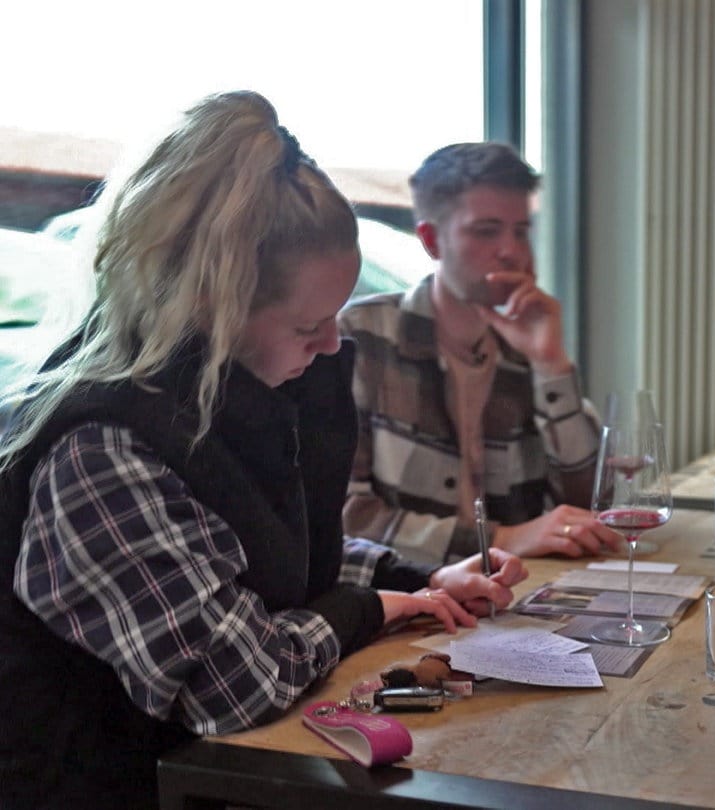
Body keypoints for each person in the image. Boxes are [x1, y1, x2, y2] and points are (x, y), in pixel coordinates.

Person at [0, 91, 527, 809]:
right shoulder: (102, 447)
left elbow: (258, 549)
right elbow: (233, 683)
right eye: (310, 324)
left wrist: (422, 579)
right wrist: (375, 609)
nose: (333, 345)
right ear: (214, 309)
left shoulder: (231, 390)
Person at [339, 142, 622, 564]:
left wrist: (552, 365)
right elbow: (348, 519)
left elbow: (594, 504)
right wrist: (502, 539)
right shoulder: (362, 337)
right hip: (412, 599)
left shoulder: (527, 341)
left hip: (518, 596)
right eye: (486, 231)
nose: (511, 250)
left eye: (521, 231)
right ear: (432, 241)